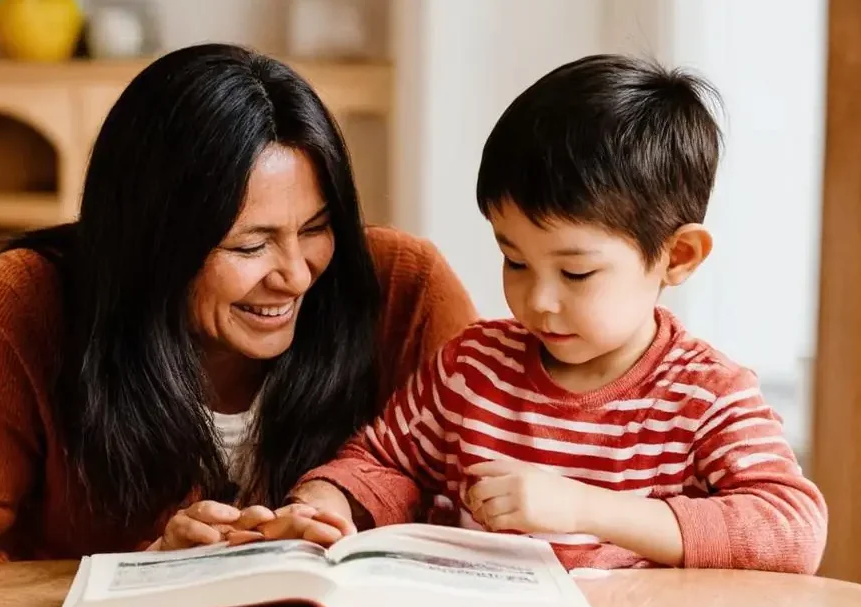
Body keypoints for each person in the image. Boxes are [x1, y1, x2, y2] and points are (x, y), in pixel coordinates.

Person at [0, 43, 477, 580]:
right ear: (154, 240)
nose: (295, 274)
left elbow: (498, 495)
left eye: (317, 227)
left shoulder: (403, 288)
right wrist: (131, 575)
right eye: (250, 245)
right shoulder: (21, 305)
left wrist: (354, 507)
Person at [269, 54, 828, 573]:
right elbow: (383, 463)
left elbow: (791, 527)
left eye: (576, 273)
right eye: (514, 261)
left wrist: (588, 508)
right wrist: (326, 504)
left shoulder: (706, 395)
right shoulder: (472, 368)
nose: (538, 300)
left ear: (677, 257)